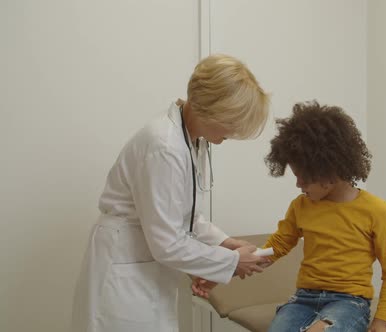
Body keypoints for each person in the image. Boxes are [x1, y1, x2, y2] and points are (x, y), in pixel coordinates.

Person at [71, 54, 270, 332]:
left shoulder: (187, 141)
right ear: (214, 109)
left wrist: (225, 243)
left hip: (144, 263)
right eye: (233, 120)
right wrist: (232, 262)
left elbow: (185, 215)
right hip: (125, 264)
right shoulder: (165, 146)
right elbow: (167, 242)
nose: (235, 131)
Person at [262, 101, 386, 332]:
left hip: (349, 302)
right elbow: (279, 244)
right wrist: (240, 263)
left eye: (303, 178)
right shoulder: (301, 206)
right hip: (302, 300)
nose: (298, 184)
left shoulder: (376, 210)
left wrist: (382, 320)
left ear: (328, 173)